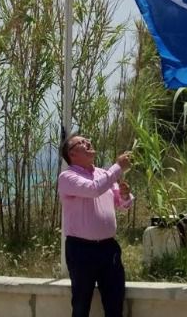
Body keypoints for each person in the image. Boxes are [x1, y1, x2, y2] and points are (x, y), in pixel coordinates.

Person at [58, 135, 133, 317]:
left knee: (115, 302)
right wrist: (118, 167)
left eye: (87, 140)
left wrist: (124, 196)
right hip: (81, 250)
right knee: (81, 305)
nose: (88, 142)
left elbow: (122, 205)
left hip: (108, 248)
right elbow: (93, 189)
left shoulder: (102, 175)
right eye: (81, 143)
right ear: (72, 154)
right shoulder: (68, 176)